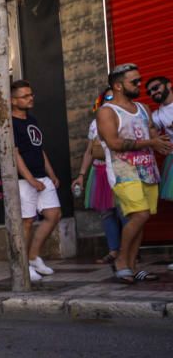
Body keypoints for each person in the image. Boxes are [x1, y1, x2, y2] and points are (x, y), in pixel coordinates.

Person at [95, 65, 172, 283]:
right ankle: (120, 260)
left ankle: (133, 266)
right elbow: (114, 143)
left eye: (139, 80)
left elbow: (152, 132)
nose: (139, 85)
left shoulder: (143, 108)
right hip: (123, 172)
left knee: (140, 219)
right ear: (118, 86)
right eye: (134, 82)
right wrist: (151, 142)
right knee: (140, 215)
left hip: (147, 170)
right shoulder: (107, 111)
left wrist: (160, 143)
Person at [11, 80, 63, 283]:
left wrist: (50, 174)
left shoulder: (32, 120)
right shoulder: (11, 124)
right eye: (25, 96)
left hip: (42, 175)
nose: (30, 98)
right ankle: (24, 266)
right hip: (24, 180)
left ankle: (33, 257)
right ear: (14, 101)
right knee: (27, 221)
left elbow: (39, 148)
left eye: (31, 94)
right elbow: (15, 155)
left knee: (54, 214)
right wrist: (31, 179)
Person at [73, 89, 122, 266]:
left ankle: (129, 251)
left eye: (113, 97)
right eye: (107, 97)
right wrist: (81, 175)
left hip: (120, 169)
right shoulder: (94, 124)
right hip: (99, 171)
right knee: (106, 213)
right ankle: (114, 250)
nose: (110, 99)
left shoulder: (124, 116)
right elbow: (89, 151)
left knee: (125, 211)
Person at [145, 75, 173, 205]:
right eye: (150, 92)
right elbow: (149, 133)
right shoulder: (157, 116)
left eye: (156, 88)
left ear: (168, 85)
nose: (153, 93)